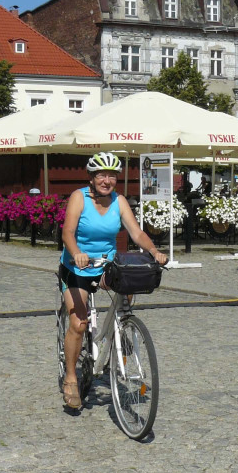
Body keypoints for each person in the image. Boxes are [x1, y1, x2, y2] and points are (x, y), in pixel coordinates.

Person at [58, 152, 168, 409]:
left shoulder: (118, 201)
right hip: (77, 267)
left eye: (111, 176)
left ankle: (121, 326)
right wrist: (76, 253)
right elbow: (67, 232)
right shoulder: (79, 197)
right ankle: (71, 377)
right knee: (79, 322)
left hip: (105, 264)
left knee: (129, 281)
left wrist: (154, 251)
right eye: (101, 175)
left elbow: (136, 232)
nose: (107, 180)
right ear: (92, 177)